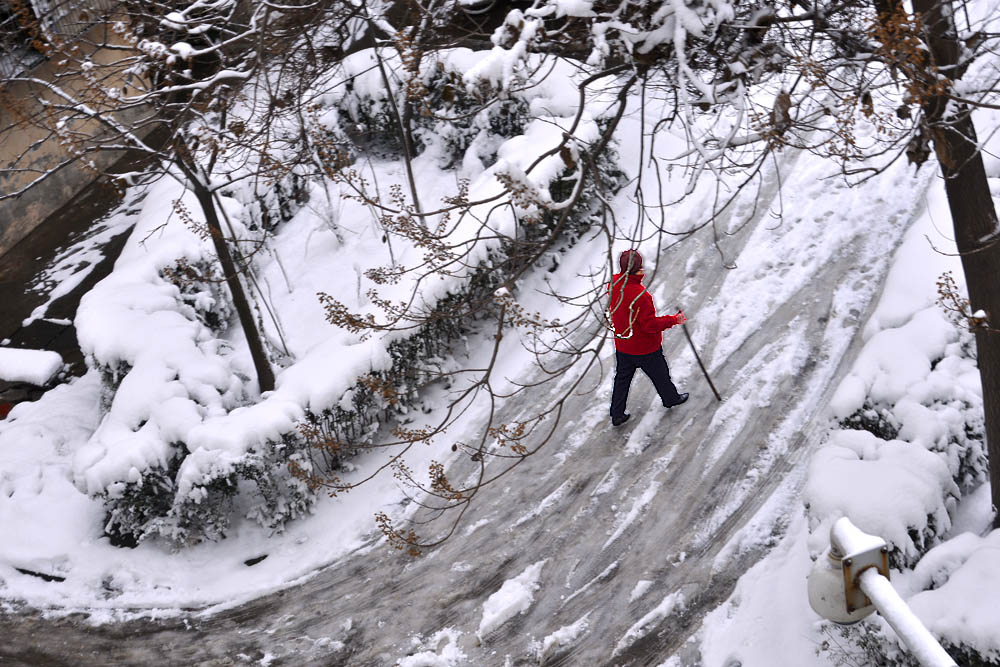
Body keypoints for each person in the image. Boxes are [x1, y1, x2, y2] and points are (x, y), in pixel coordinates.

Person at [607, 249, 688, 426]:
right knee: (661, 375)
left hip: (623, 345)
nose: (643, 270)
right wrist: (673, 320)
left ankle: (617, 414)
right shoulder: (641, 296)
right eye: (640, 267)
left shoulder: (613, 286)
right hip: (645, 348)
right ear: (636, 270)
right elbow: (649, 326)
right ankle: (671, 399)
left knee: (622, 380)